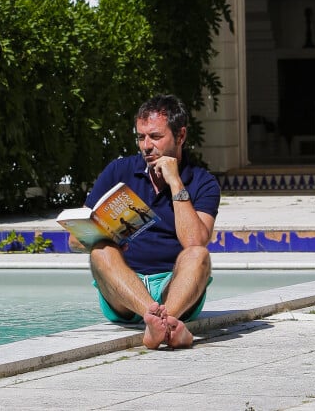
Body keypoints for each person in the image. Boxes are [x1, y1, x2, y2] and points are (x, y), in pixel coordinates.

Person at [83, 94, 220, 350]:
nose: (146, 145)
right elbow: (75, 240)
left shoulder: (203, 182)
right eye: (140, 137)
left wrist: (176, 182)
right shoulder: (118, 171)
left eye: (155, 137)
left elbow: (194, 242)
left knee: (199, 255)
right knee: (101, 251)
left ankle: (158, 324)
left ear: (180, 136)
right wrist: (107, 235)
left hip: (176, 288)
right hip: (124, 291)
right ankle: (163, 324)